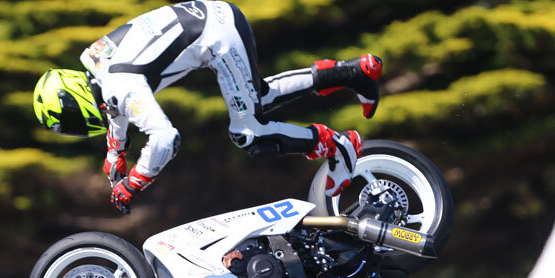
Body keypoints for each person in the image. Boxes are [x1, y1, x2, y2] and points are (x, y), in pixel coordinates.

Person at [33, 1, 382, 214]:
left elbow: (165, 138)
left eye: (73, 123)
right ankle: (356, 72)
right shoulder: (98, 63)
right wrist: (115, 151)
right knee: (259, 99)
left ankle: (336, 144)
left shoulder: (120, 85)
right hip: (215, 18)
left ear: (74, 102)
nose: (81, 127)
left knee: (248, 133)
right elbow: (116, 107)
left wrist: (134, 182)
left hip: (216, 38)